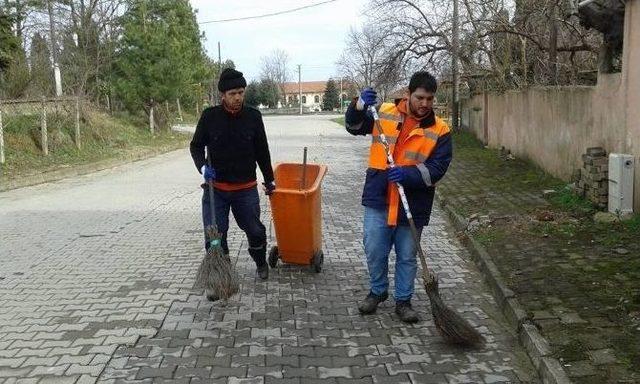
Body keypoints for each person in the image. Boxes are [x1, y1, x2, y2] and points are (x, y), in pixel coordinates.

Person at [345, 71, 452, 323]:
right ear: (408, 94)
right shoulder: (382, 112)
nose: (425, 103)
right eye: (420, 97)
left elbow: (438, 167)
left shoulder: (440, 129)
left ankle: (403, 301)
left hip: (413, 202)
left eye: (430, 98)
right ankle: (378, 291)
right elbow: (353, 126)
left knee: (407, 255)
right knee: (374, 248)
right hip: (379, 195)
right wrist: (359, 105)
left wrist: (408, 174)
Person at [190, 68, 276, 289]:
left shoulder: (253, 117)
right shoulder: (210, 117)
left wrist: (270, 179)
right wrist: (202, 168)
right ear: (223, 95)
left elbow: (262, 151)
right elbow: (196, 146)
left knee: (255, 230)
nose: (238, 97)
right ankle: (221, 277)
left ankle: (259, 261)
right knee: (215, 236)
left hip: (245, 189)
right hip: (215, 190)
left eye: (241, 92)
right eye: (232, 93)